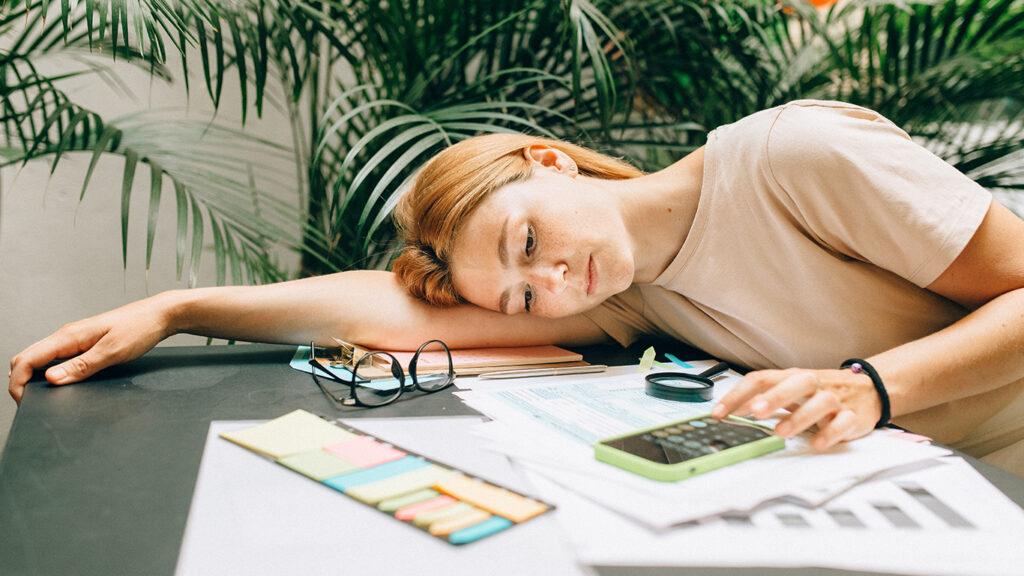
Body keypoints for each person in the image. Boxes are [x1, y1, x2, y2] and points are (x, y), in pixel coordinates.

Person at [8, 99, 1024, 475]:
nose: (549, 281)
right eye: (524, 296)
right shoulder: (630, 295)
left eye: (528, 237)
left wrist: (870, 388)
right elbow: (376, 304)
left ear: (547, 160)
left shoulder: (790, 157)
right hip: (934, 494)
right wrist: (181, 308)